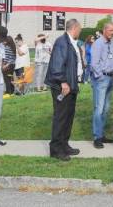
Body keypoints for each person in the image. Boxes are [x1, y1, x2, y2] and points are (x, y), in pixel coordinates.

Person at [45, 19, 83, 161]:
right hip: (62, 86)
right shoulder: (62, 42)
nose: (80, 31)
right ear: (74, 28)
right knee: (61, 117)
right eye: (79, 28)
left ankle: (64, 144)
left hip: (71, 85)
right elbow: (57, 65)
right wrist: (63, 82)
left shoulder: (71, 42)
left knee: (68, 117)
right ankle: (56, 149)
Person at [89, 22, 113, 149]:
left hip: (111, 78)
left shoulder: (111, 43)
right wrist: (101, 76)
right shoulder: (98, 44)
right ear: (104, 30)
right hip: (101, 79)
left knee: (105, 109)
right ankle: (97, 137)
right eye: (111, 30)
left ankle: (101, 135)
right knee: (99, 108)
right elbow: (94, 64)